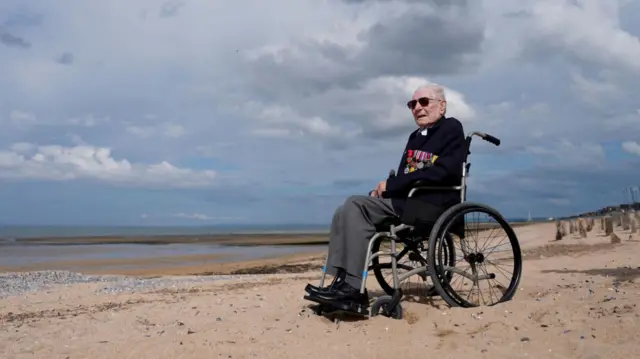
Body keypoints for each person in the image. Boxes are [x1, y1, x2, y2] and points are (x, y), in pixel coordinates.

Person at [304, 84, 467, 309]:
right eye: (412, 104)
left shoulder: (451, 128)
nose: (417, 108)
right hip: (407, 201)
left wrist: (391, 185)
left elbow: (445, 171)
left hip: (432, 203)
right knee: (343, 211)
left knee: (354, 203)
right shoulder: (415, 136)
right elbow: (405, 177)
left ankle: (353, 290)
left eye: (424, 102)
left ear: (442, 106)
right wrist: (383, 190)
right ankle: (339, 281)